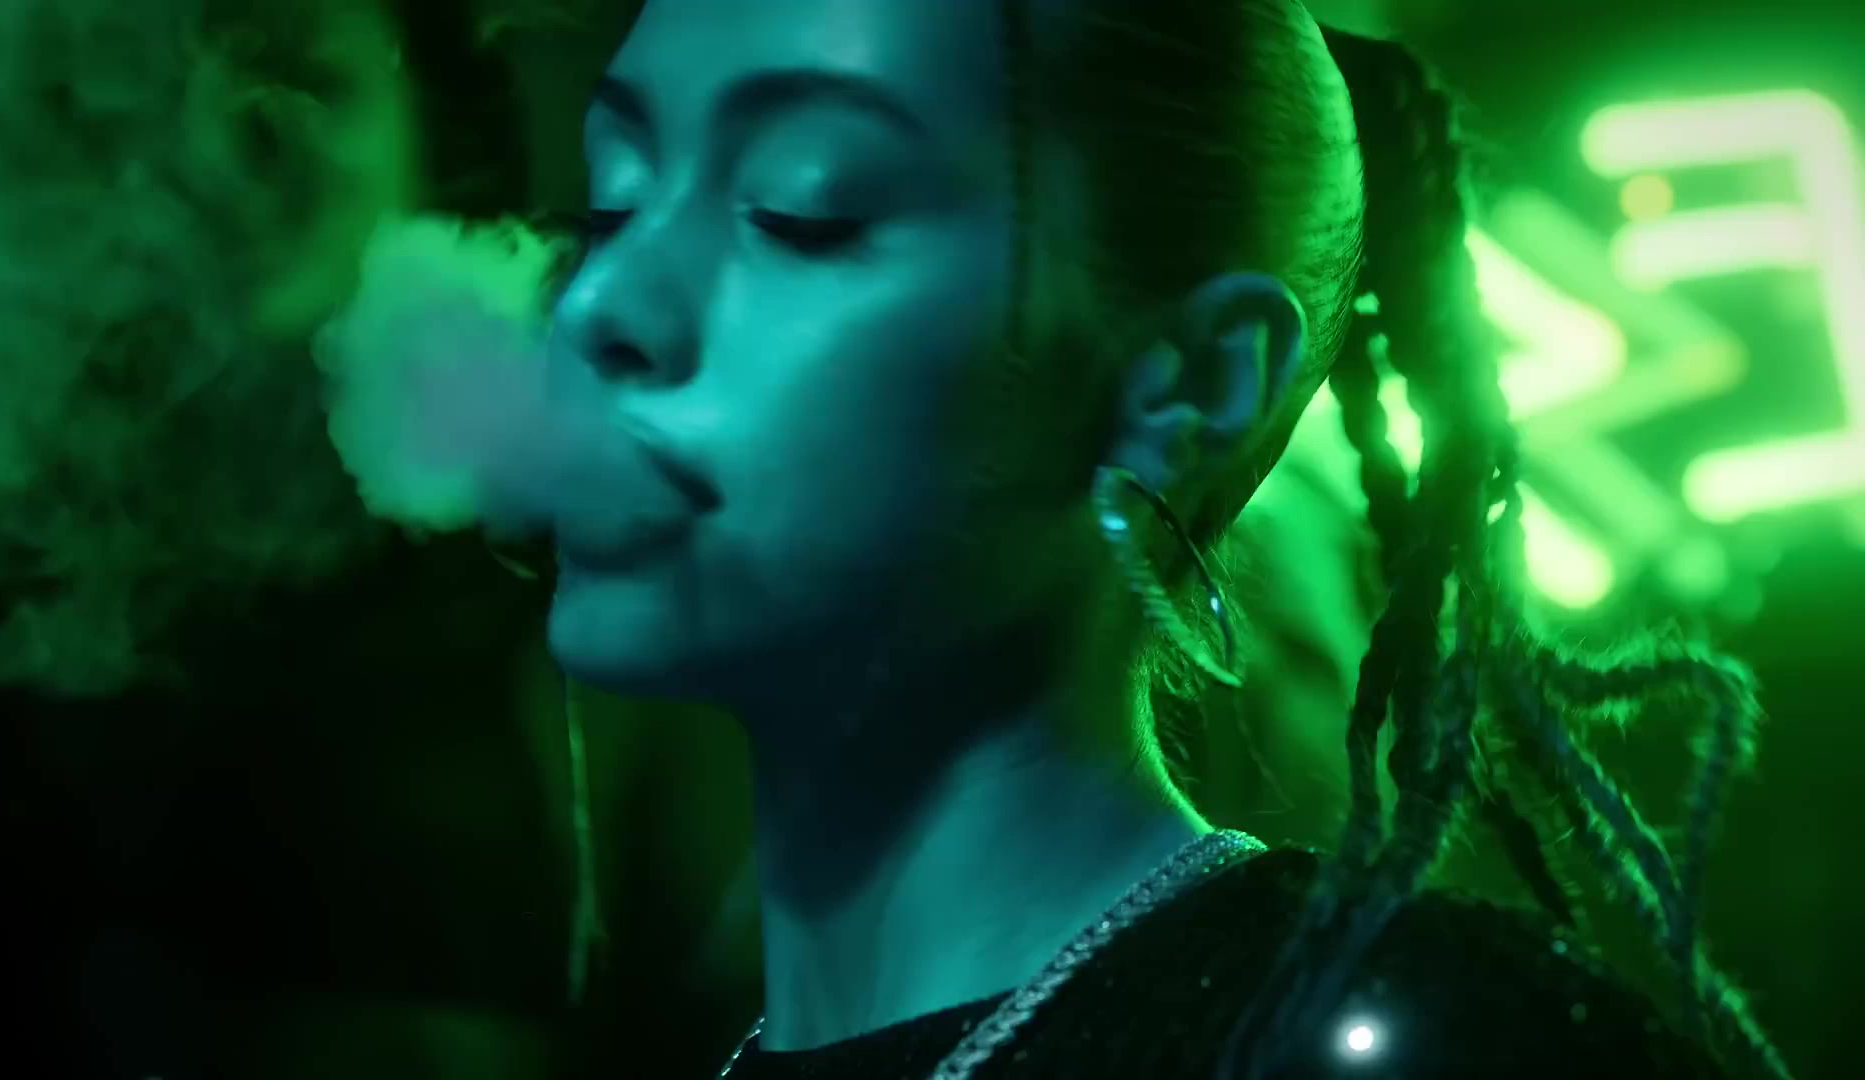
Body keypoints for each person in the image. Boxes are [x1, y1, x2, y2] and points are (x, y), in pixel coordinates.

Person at [509, 0, 1795, 1077]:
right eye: (609, 204)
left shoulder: (1447, 1048)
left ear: (1190, 382)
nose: (597, 306)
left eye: (802, 208)